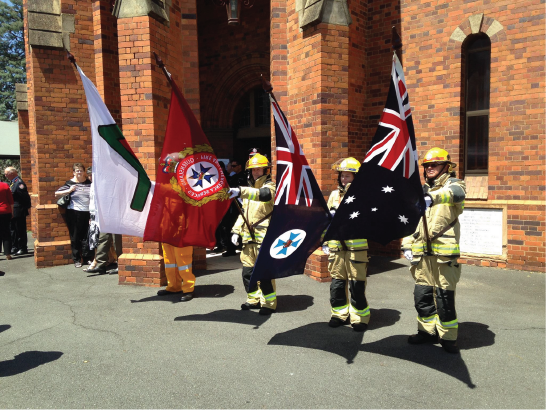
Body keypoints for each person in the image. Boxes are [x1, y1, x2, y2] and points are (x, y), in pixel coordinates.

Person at [401, 147, 466, 354]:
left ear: (446, 166)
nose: (429, 168)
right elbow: (412, 222)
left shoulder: (454, 185)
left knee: (444, 297)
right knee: (422, 296)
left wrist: (431, 198)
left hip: (444, 256)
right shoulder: (420, 190)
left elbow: (455, 195)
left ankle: (448, 338)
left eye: (434, 164)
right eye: (427, 165)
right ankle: (427, 332)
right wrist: (406, 244)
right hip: (421, 255)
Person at [322, 157, 370, 332]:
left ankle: (360, 317)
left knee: (356, 285)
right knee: (337, 283)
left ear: (356, 177)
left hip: (356, 248)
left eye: (348, 176)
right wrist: (325, 241)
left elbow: (365, 219)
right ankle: (339, 314)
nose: (344, 179)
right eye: (342, 176)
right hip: (336, 247)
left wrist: (341, 212)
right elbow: (327, 221)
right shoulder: (335, 195)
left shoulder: (364, 195)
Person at [228, 153, 276, 315]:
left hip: (264, 238)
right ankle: (253, 299)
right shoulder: (249, 190)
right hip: (248, 239)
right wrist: (235, 231)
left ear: (266, 170)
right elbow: (244, 214)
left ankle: (268, 303)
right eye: (253, 170)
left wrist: (241, 191)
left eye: (259, 169)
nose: (256, 172)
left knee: (264, 273)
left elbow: (264, 196)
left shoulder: (270, 186)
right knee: (248, 272)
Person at [84, 167, 121, 274]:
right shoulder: (93, 185)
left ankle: (121, 264)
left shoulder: (108, 183)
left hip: (114, 214)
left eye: (92, 175)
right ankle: (101, 265)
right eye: (89, 175)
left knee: (116, 241)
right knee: (103, 239)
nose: (90, 177)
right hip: (102, 215)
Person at [55, 163, 93, 268]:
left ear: (84, 172)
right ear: (73, 172)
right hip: (74, 213)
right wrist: (69, 190)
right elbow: (56, 193)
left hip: (87, 212)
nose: (79, 172)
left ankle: (87, 258)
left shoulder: (89, 183)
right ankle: (76, 259)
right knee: (75, 236)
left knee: (87, 236)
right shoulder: (70, 183)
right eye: (77, 170)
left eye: (81, 170)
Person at [4, 167, 31, 255]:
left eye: (6, 173)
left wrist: (25, 208)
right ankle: (15, 247)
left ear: (12, 173)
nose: (5, 175)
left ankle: (22, 247)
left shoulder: (19, 183)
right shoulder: (13, 182)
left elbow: (25, 197)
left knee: (20, 230)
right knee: (13, 229)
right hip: (13, 210)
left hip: (19, 210)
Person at [0, 180, 14, 260]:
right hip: (5, 211)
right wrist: (12, 212)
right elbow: (11, 200)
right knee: (6, 233)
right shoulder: (5, 185)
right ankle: (8, 254)